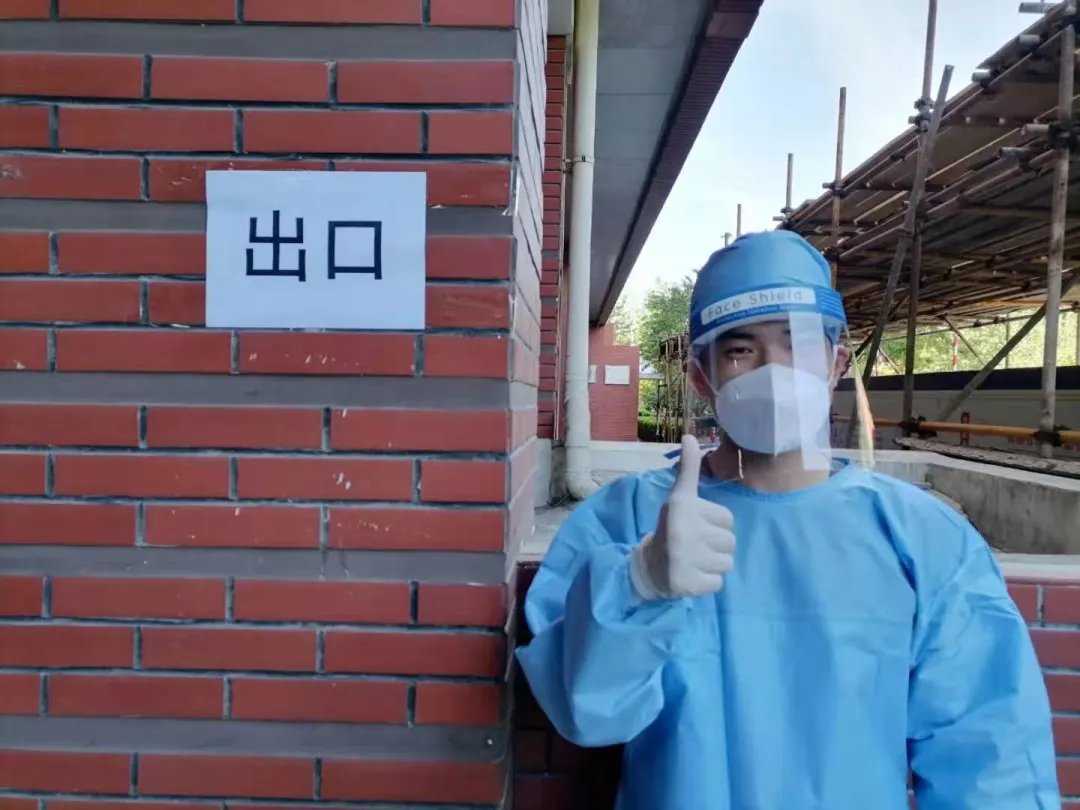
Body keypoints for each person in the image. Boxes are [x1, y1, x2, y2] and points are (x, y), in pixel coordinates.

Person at [516, 231, 1059, 810]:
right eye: (740, 350)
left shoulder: (922, 539)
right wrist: (639, 582)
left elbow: (992, 761)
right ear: (702, 376)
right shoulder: (625, 519)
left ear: (836, 362)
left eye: (797, 343)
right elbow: (585, 713)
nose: (774, 372)